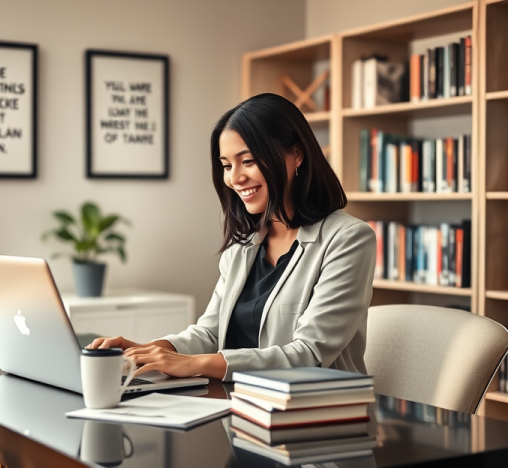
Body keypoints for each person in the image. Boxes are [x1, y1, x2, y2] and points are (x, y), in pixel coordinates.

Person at [88, 93, 376, 381]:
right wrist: (151, 350)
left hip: (314, 412)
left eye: (247, 161)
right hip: (238, 406)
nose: (235, 178)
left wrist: (195, 364)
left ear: (297, 155)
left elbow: (309, 354)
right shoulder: (243, 248)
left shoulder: (348, 240)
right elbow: (211, 333)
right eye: (226, 165)